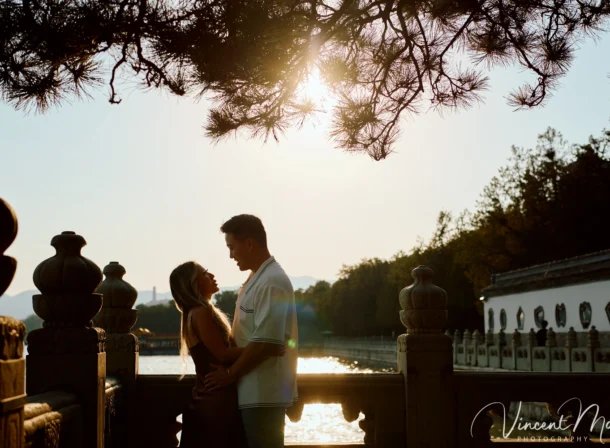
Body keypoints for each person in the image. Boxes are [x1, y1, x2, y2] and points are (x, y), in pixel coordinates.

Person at [204, 214, 299, 448]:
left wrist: (229, 375)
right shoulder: (257, 279)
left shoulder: (271, 281)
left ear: (249, 243)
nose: (230, 255)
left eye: (232, 247)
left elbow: (267, 343)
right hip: (252, 391)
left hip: (263, 393)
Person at [169, 261, 252, 447]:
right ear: (194, 284)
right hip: (217, 402)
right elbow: (222, 355)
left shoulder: (192, 314)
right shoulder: (201, 311)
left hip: (206, 399)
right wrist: (261, 347)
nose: (212, 275)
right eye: (205, 273)